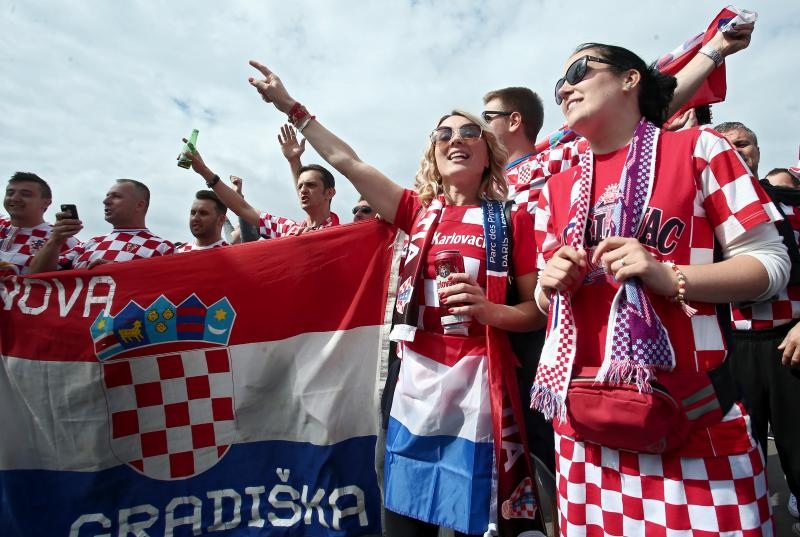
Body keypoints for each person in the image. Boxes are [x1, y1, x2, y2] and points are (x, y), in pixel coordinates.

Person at [247, 60, 547, 536]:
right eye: (443, 133)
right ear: (434, 153)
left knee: (477, 519)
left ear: (488, 152)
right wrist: (290, 106)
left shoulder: (513, 220)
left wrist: (490, 311)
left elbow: (535, 313)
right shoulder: (415, 210)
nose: (455, 138)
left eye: (469, 131)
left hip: (482, 390)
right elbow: (348, 163)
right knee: (405, 520)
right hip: (414, 388)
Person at [532, 43, 788, 535]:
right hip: (584, 430)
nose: (565, 89)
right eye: (559, 83)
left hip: (692, 420)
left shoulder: (700, 148)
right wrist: (549, 285)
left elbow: (771, 264)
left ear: (630, 79)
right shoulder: (557, 188)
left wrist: (669, 276)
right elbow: (547, 304)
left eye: (580, 71)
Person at [729, 148, 800, 529]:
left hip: (790, 340)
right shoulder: (706, 211)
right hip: (732, 345)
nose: (737, 151)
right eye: (729, 143)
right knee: (739, 447)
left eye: (745, 143)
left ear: (757, 151)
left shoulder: (793, 206)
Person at [181, 145, 339, 239]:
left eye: (311, 185)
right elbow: (243, 208)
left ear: (329, 193)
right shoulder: (287, 229)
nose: (303, 190)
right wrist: (204, 171)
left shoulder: (341, 235)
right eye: (300, 186)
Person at [29, 179, 174, 272]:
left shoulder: (162, 247)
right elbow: (35, 276)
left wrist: (122, 272)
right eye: (107, 196)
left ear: (140, 205)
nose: (106, 201)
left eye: (116, 196)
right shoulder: (89, 243)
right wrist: (55, 240)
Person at [0, 172, 78, 276]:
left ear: (46, 203)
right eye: (10, 193)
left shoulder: (65, 239)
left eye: (25, 194)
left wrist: (55, 240)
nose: (14, 198)